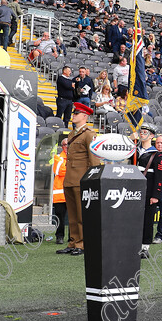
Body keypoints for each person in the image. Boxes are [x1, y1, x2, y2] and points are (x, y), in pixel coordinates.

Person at [57, 103, 99, 256]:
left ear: (85, 116)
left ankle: (82, 244)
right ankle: (73, 242)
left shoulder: (89, 134)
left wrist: (91, 180)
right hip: (70, 179)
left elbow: (93, 160)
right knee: (73, 215)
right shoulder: (71, 134)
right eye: (74, 113)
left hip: (81, 179)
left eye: (77, 113)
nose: (73, 115)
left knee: (81, 214)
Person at [134, 123, 160, 259]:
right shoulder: (135, 150)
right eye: (141, 132)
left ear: (151, 136)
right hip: (134, 189)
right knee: (134, 218)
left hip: (149, 190)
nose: (142, 134)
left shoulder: (156, 154)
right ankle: (133, 244)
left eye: (145, 133)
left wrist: (156, 195)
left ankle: (145, 247)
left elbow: (159, 177)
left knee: (147, 219)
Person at [53, 138, 68, 244]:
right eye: (66, 145)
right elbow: (59, 170)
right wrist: (73, 168)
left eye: (69, 145)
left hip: (72, 192)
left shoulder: (76, 158)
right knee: (60, 217)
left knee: (74, 218)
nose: (68, 147)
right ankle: (59, 236)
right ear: (62, 147)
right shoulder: (58, 157)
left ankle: (73, 238)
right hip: (60, 194)